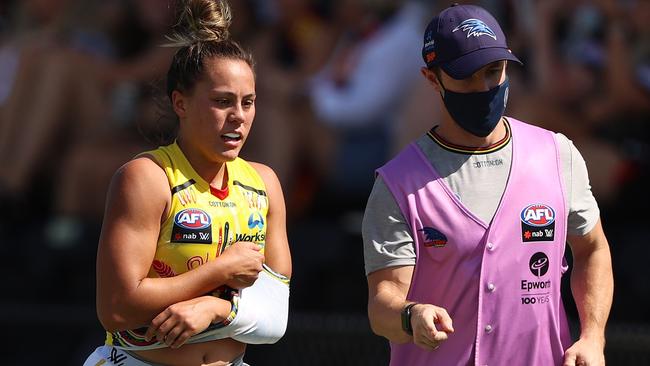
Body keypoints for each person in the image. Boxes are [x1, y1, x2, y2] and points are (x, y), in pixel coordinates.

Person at [363, 4, 613, 366]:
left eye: (493, 71)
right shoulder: (399, 183)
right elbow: (382, 302)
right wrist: (410, 315)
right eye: (466, 76)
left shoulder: (557, 154)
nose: (484, 86)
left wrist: (593, 337)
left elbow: (593, 249)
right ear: (433, 79)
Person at [83, 0, 291, 365]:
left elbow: (275, 320)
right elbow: (116, 309)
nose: (238, 117)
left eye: (248, 102)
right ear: (180, 102)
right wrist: (219, 272)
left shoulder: (264, 183)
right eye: (222, 101)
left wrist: (214, 308)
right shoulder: (147, 177)